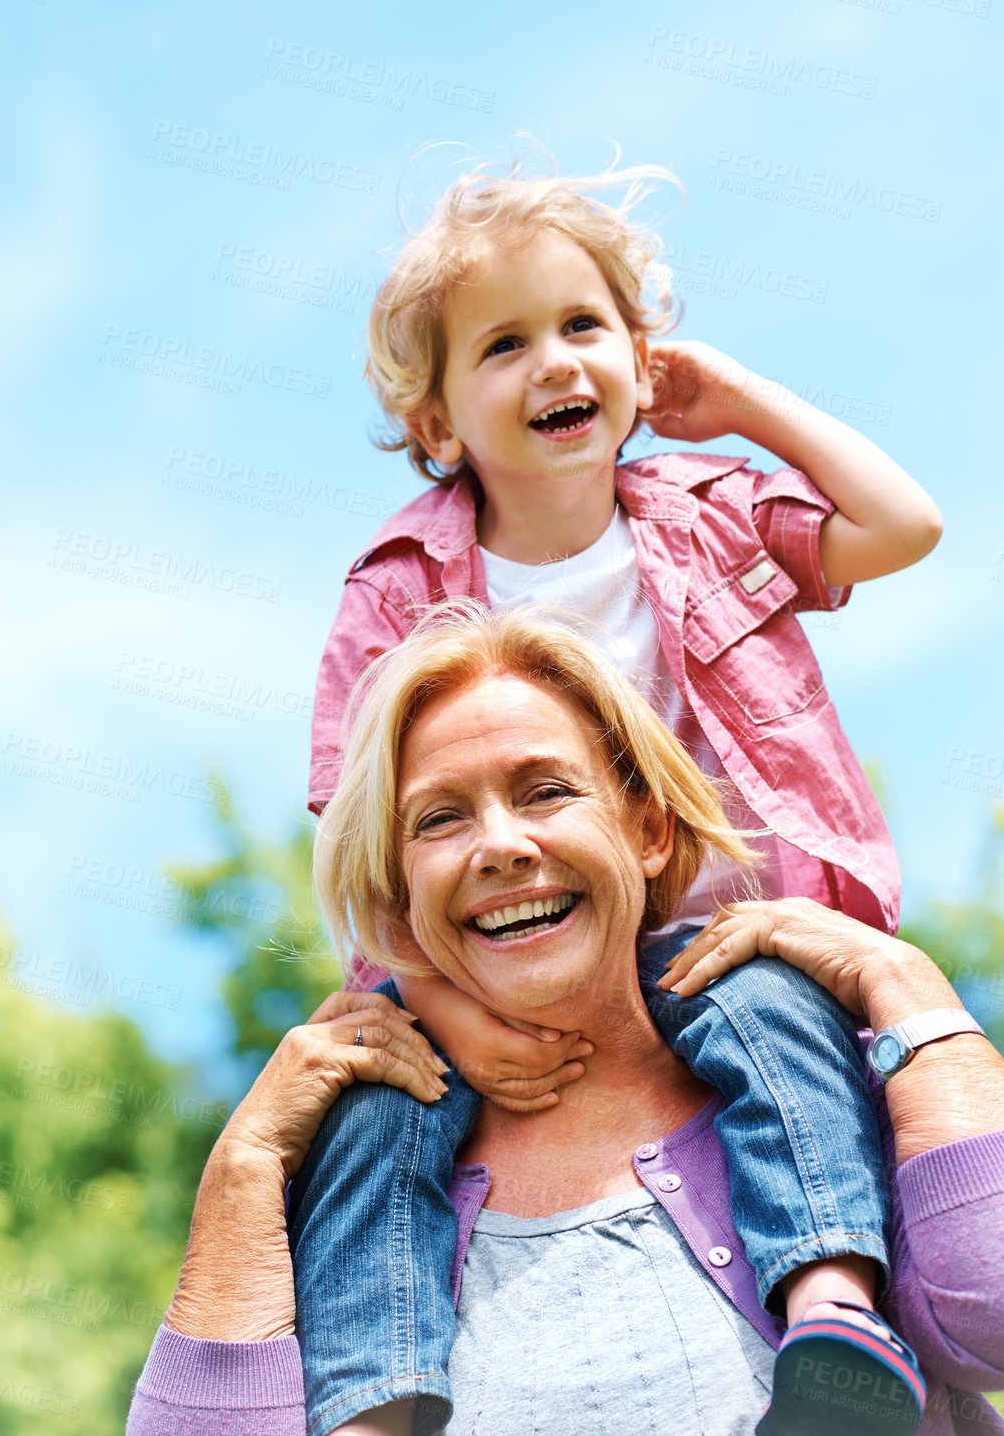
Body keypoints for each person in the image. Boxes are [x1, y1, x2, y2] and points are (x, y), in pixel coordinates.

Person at [298, 155, 944, 1426]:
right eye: (504, 345)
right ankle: (379, 1395)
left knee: (777, 1031)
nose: (555, 363)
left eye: (584, 326)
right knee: (377, 1118)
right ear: (436, 425)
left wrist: (743, 403)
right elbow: (360, 820)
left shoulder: (704, 518)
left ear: (641, 361)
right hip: (500, 955)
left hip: (730, 929)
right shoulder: (396, 588)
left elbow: (905, 526)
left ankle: (831, 1318)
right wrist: (439, 1002)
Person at [126, 608, 1004, 1436]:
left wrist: (904, 980)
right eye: (439, 817)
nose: (501, 845)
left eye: (545, 790)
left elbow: (991, 1313)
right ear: (398, 910)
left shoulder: (834, 1080)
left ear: (650, 831)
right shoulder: (355, 1181)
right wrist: (245, 1168)